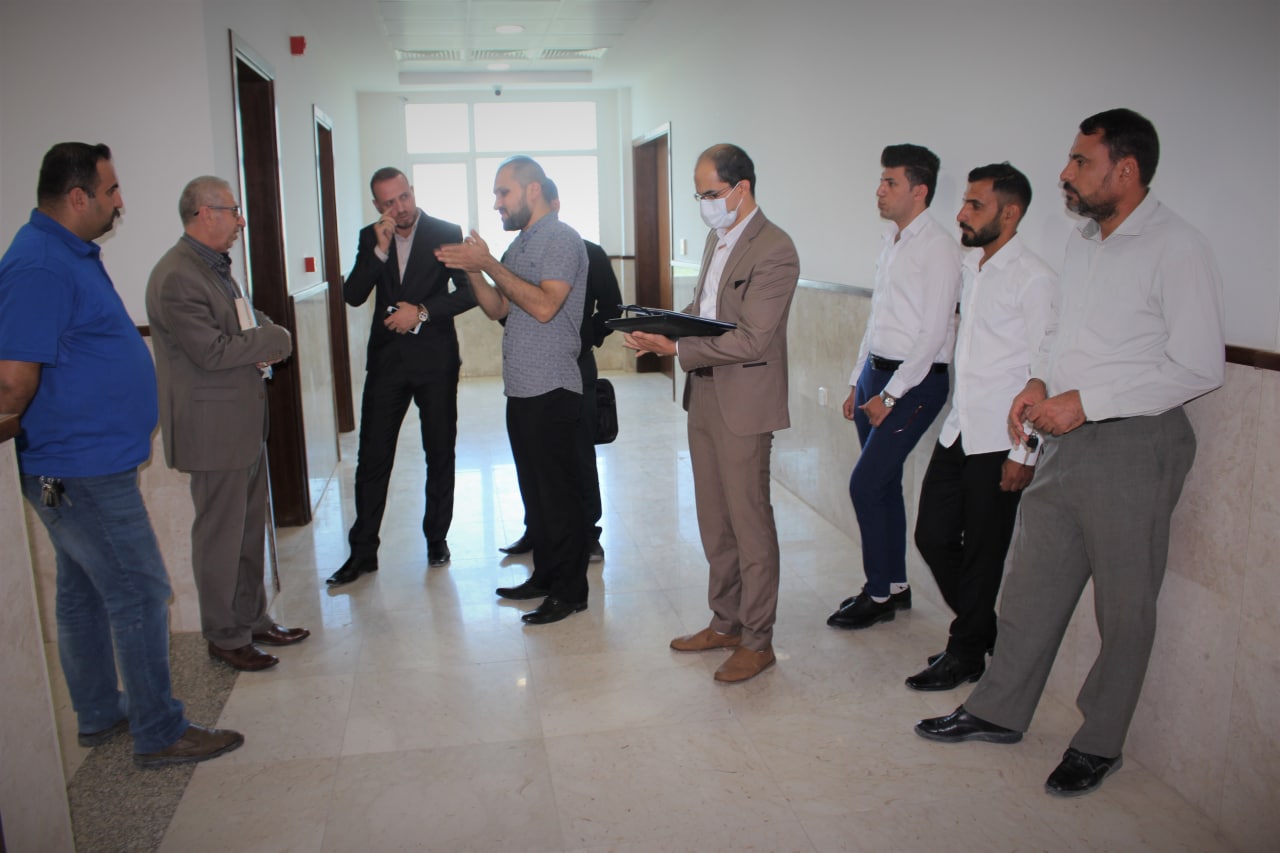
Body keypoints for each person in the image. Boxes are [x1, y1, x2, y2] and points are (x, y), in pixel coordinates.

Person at [916, 109, 1225, 798]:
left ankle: (1099, 742)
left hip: (1135, 443)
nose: (1065, 172)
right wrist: (1039, 381)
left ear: (1126, 169)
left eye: (1081, 161)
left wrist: (1089, 400)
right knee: (1029, 588)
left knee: (1124, 608)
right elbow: (1060, 336)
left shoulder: (1177, 247)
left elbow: (1200, 365)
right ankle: (997, 710)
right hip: (1064, 439)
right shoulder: (1085, 242)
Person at [0, 142, 242, 767]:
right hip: (75, 469)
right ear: (78, 197)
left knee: (82, 587)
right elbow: (12, 379)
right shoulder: (39, 265)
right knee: (140, 590)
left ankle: (99, 712)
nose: (119, 202)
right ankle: (160, 731)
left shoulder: (67, 253)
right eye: (111, 191)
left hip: (81, 466)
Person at [624, 143, 800, 683]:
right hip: (703, 395)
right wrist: (661, 326)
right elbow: (707, 314)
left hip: (744, 403)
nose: (704, 204)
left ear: (741, 188)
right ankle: (726, 622)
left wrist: (675, 348)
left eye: (711, 193)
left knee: (749, 523)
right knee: (714, 521)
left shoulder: (775, 249)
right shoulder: (715, 239)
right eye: (698, 195)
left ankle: (758, 640)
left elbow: (752, 339)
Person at [146, 176, 310, 672]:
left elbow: (246, 321)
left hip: (241, 426)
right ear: (204, 213)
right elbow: (212, 351)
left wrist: (266, 334)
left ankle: (251, 619)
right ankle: (224, 635)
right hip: (212, 432)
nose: (240, 221)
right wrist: (274, 339)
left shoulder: (215, 267)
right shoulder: (177, 275)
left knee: (247, 531)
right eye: (232, 211)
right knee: (220, 537)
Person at [907, 163, 1055, 691]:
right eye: (965, 203)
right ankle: (982, 631)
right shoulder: (973, 268)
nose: (961, 214)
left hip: (1002, 440)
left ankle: (966, 652)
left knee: (982, 554)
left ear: (1009, 213)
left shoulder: (1035, 279)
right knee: (931, 536)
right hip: (960, 430)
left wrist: (1026, 451)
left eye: (975, 205)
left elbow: (1047, 369)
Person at [435, 156, 591, 625]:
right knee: (537, 496)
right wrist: (474, 270)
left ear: (532, 190)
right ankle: (546, 576)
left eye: (504, 192)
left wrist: (487, 262)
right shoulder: (520, 243)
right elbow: (497, 308)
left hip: (553, 389)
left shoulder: (561, 239)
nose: (497, 203)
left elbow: (544, 306)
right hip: (522, 389)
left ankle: (571, 592)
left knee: (560, 498)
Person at [827, 144, 962, 631]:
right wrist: (857, 381)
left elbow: (933, 333)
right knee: (883, 485)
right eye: (881, 181)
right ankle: (895, 586)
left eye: (891, 183)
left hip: (916, 383)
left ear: (919, 190)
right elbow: (877, 318)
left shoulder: (939, 247)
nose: (880, 191)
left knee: (865, 484)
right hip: (876, 374)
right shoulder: (892, 240)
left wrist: (891, 395)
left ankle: (877, 592)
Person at [326, 168, 476, 586]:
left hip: (435, 361)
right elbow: (353, 295)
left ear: (413, 192)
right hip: (387, 363)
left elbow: (468, 293)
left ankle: (436, 539)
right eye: (389, 203)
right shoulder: (370, 237)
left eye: (404, 197)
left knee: (439, 451)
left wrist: (422, 313)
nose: (400, 208)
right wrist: (378, 251)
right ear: (378, 206)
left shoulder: (446, 232)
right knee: (372, 457)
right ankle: (363, 552)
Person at [499, 179, 622, 562]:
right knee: (534, 458)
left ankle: (588, 534)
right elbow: (508, 309)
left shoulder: (587, 252)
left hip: (575, 365)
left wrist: (585, 340)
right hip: (531, 368)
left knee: (578, 454)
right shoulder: (517, 252)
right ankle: (537, 529)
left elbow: (612, 309)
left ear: (554, 205)